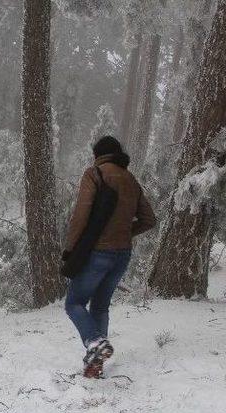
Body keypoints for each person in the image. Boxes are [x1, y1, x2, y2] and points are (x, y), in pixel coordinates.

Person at [64, 136, 156, 378]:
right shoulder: (130, 179)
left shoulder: (95, 174)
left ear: (98, 154)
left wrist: (71, 249)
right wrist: (126, 232)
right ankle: (95, 365)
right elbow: (149, 220)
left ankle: (95, 342)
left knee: (73, 303)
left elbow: (80, 216)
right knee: (101, 306)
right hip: (122, 254)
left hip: (96, 252)